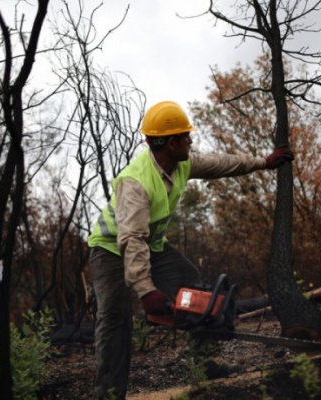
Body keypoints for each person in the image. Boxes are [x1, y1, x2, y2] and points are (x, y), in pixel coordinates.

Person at [86, 100, 294, 399]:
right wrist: (146, 290)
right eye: (186, 136)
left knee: (193, 287)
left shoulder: (182, 163)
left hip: (152, 246)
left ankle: (207, 363)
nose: (191, 140)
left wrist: (264, 161)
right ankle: (108, 394)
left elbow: (220, 163)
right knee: (114, 321)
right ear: (172, 143)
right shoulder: (135, 182)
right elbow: (131, 239)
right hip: (109, 251)